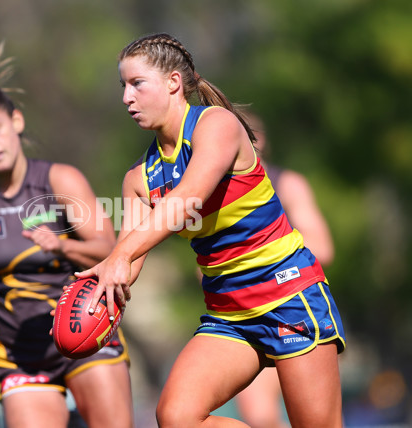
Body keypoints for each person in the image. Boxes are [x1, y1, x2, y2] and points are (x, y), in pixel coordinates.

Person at [77, 33, 346, 427]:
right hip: (228, 313)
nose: (126, 98)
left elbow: (186, 199)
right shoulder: (138, 178)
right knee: (177, 417)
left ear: (173, 82)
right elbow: (128, 262)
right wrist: (91, 296)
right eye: (123, 86)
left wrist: (118, 256)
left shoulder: (216, 125)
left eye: (137, 84)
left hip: (288, 295)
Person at [0, 42, 133, 428]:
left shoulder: (59, 180)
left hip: (86, 331)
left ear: (16, 122)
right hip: (18, 353)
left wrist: (62, 244)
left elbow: (110, 250)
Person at [233, 112, 336, 428]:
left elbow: (323, 247)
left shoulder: (286, 183)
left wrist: (259, 258)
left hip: (295, 309)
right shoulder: (215, 193)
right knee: (259, 418)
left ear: (257, 141)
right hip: (244, 319)